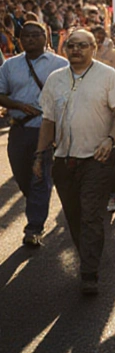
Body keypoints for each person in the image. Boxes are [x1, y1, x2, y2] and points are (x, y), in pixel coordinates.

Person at [34, 29, 115, 294]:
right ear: (65, 49)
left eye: (82, 45)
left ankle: (89, 272)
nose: (76, 50)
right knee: (74, 216)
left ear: (94, 48)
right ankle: (90, 253)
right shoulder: (55, 79)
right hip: (64, 160)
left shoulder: (107, 75)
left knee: (90, 214)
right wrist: (39, 155)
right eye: (71, 46)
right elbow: (48, 121)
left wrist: (110, 140)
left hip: (97, 159)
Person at [0, 21, 69, 247]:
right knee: (22, 175)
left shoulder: (60, 65)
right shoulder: (10, 66)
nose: (29, 39)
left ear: (45, 37)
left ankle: (34, 227)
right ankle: (37, 206)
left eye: (35, 35)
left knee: (40, 176)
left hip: (46, 130)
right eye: (25, 35)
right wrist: (18, 105)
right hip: (19, 130)